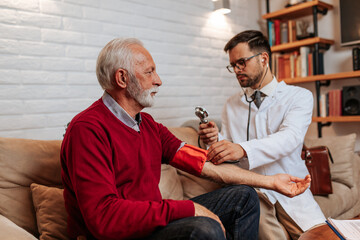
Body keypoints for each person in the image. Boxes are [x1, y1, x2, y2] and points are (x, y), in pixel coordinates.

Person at [61, 37, 311, 240]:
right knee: (204, 228)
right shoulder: (87, 129)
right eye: (149, 72)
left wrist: (270, 181)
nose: (158, 80)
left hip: (151, 226)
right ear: (122, 78)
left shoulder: (147, 125)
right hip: (121, 235)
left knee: (243, 196)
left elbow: (204, 164)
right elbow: (104, 219)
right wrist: (188, 208)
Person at [198, 30, 326, 240]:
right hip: (253, 192)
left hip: (290, 188)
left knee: (323, 236)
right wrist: (215, 139)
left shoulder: (299, 97)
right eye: (233, 65)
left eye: (242, 62)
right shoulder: (231, 104)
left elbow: (289, 138)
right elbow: (229, 146)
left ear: (263, 58)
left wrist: (242, 148)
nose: (237, 70)